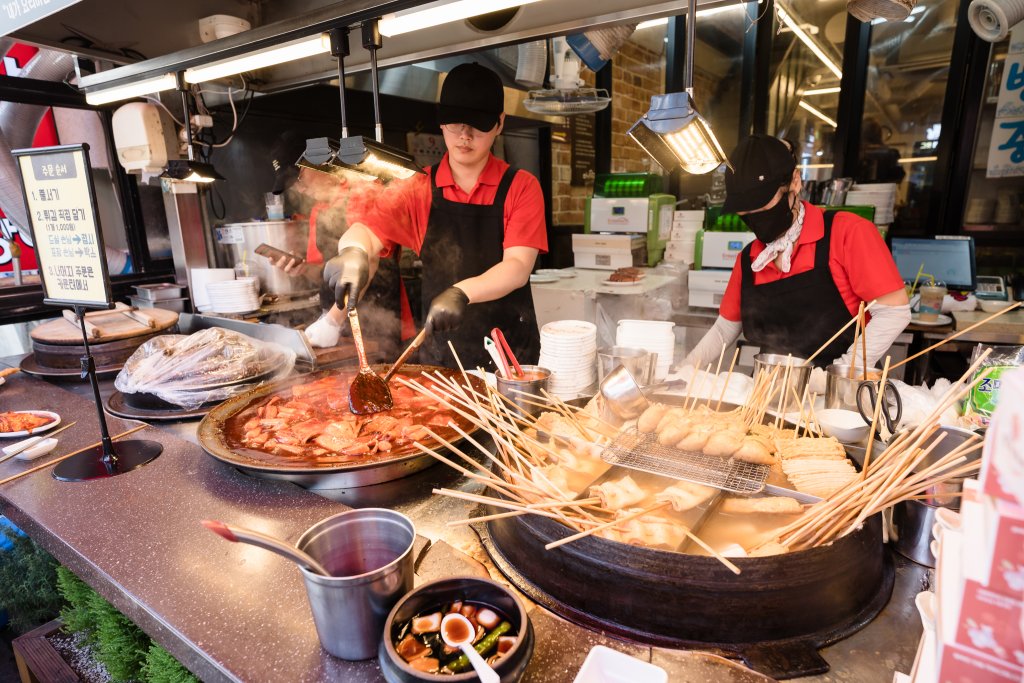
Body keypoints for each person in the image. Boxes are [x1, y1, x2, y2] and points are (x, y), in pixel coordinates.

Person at [318, 62, 548, 368]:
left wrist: (461, 292)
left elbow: (517, 267)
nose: (465, 135)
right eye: (455, 123)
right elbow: (368, 230)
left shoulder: (522, 186)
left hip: (510, 357)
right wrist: (354, 252)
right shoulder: (417, 186)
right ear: (441, 121)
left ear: (500, 123)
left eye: (478, 125)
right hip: (442, 354)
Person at [685, 135, 910, 375]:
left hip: (836, 395)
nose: (754, 217)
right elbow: (725, 329)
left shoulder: (847, 233)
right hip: (767, 392)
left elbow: (893, 312)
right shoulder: (750, 258)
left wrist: (838, 373)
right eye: (745, 211)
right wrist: (684, 369)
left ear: (794, 182)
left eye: (761, 206)